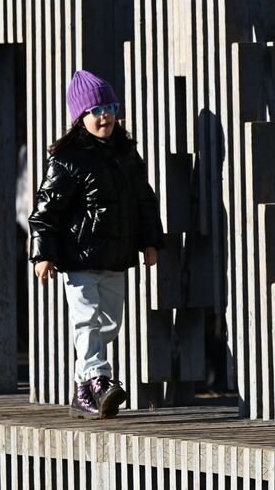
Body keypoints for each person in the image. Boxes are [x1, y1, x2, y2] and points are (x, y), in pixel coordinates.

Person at [28, 71, 165, 419]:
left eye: (111, 107)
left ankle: (82, 390)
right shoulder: (68, 158)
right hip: (78, 259)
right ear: (80, 117)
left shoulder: (126, 154)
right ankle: (99, 379)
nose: (105, 116)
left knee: (110, 323)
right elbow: (46, 209)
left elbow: (143, 200)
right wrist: (43, 253)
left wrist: (150, 241)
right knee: (87, 320)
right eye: (96, 110)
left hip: (116, 257)